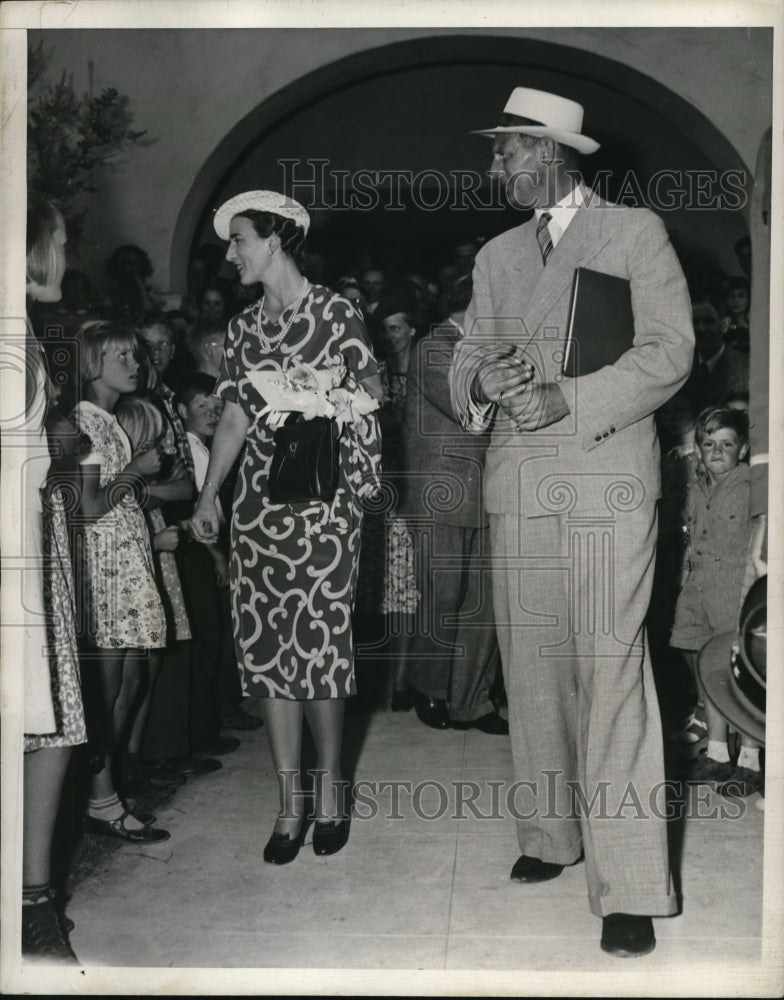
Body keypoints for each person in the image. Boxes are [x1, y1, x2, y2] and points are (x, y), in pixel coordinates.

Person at [450, 87, 694, 956]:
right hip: (519, 483)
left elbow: (670, 352)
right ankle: (551, 836)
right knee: (535, 667)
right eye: (494, 154)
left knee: (612, 668)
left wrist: (566, 398)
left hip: (607, 480)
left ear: (552, 151)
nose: (495, 167)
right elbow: (468, 355)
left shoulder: (633, 233)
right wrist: (485, 383)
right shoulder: (496, 254)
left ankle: (629, 882)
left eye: (507, 151)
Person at [191, 190, 382, 864]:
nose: (230, 253)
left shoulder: (336, 310)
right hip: (260, 509)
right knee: (268, 651)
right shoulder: (243, 330)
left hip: (325, 505)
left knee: (320, 647)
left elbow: (374, 395)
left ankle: (331, 793)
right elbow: (236, 417)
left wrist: (323, 389)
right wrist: (210, 494)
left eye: (239, 239)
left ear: (275, 240)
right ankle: (288, 803)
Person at [70, 320, 171, 845]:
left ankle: (106, 794)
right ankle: (100, 802)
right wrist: (135, 469)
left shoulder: (110, 420)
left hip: (126, 561)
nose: (135, 365)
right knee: (105, 696)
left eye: (135, 356)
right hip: (103, 568)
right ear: (92, 364)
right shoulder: (84, 422)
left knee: (128, 685)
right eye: (122, 358)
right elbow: (86, 510)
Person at [19, 199, 87, 963]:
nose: (67, 258)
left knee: (57, 725)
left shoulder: (29, 333)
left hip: (37, 541)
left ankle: (36, 899)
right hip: (15, 550)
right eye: (60, 243)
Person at [401, 275, 507, 734]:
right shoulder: (432, 347)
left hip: (486, 490)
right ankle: (431, 690)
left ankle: (473, 701)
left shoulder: (485, 349)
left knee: (483, 602)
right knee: (442, 598)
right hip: (439, 494)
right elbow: (467, 403)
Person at [670, 407, 761, 793]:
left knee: (739, 677)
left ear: (742, 450)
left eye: (727, 444)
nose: (717, 451)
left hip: (732, 591)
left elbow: (761, 536)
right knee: (710, 673)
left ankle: (751, 759)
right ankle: (719, 753)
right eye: (709, 444)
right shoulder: (698, 485)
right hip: (699, 590)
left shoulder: (750, 485)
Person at [684, 294, 749, 412]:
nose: (701, 328)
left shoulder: (747, 368)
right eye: (695, 322)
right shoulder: (679, 367)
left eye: (709, 321)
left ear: (724, 325)